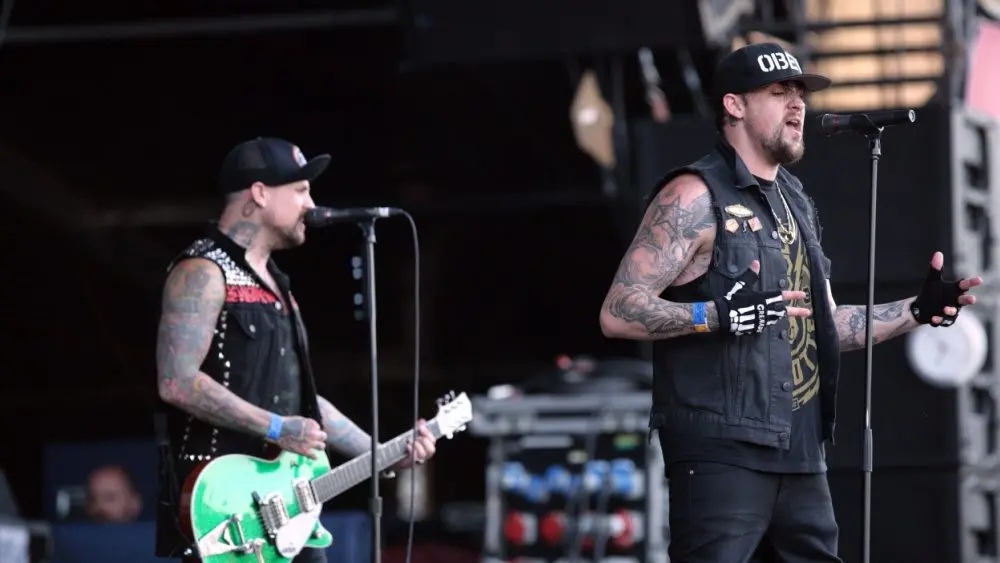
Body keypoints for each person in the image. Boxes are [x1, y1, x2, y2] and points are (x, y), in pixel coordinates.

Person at [598, 42, 982, 562]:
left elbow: (826, 325)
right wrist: (719, 315)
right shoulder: (692, 196)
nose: (798, 104)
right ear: (734, 105)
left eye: (800, 93)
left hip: (801, 454)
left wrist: (916, 311)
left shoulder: (794, 201)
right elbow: (619, 311)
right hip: (722, 454)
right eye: (779, 92)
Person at [153, 137, 438, 563]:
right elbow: (177, 382)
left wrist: (382, 454)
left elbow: (305, 404)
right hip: (226, 509)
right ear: (260, 193)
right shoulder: (201, 272)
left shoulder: (279, 287)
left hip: (287, 509)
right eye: (301, 190)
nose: (311, 204)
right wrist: (276, 429)